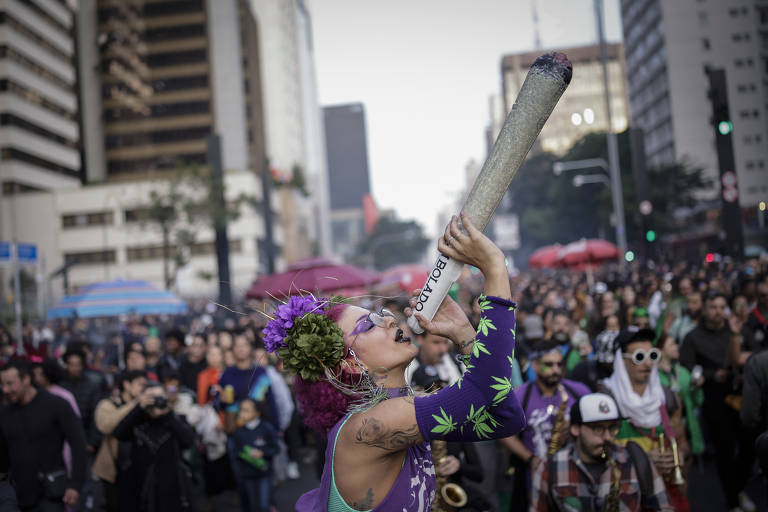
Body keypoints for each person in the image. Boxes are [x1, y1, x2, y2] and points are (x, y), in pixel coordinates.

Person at [274, 213, 525, 511]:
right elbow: (484, 388)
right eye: (370, 324)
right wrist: (495, 269)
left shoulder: (405, 409)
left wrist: (462, 332)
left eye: (382, 314)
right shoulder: (368, 427)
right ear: (352, 364)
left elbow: (506, 418)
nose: (390, 319)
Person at [529, 393, 672, 511]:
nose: (608, 437)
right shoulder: (549, 468)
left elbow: (664, 507)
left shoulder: (636, 461)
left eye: (612, 428)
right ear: (576, 429)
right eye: (598, 429)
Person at [604, 328, 690, 511]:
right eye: (639, 357)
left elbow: (683, 444)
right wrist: (642, 460)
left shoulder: (667, 399)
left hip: (665, 496)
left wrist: (678, 456)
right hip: (624, 498)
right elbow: (597, 456)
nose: (648, 364)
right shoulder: (606, 401)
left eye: (652, 355)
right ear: (621, 360)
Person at [680, 293, 750, 511]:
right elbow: (687, 367)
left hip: (743, 395)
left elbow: (754, 353)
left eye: (722, 306)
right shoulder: (693, 337)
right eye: (713, 306)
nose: (718, 311)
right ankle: (733, 499)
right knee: (725, 451)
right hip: (715, 400)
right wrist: (711, 376)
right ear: (705, 308)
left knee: (749, 448)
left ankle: (738, 489)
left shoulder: (736, 330)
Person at [500, 339, 589, 510]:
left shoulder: (577, 391)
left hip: (573, 472)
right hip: (532, 475)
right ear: (535, 365)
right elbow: (504, 433)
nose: (556, 370)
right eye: (549, 364)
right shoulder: (520, 396)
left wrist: (575, 429)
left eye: (559, 364)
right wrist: (531, 459)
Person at [0, 360, 87, 511]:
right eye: (2, 384)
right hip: (18, 495)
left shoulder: (56, 404)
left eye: (10, 383)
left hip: (51, 493)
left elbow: (78, 444)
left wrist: (75, 484)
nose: (5, 389)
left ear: (26, 379)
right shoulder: (5, 413)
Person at [112, 382, 196, 512]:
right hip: (140, 487)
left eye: (159, 397)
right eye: (151, 397)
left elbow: (188, 441)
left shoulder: (176, 419)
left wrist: (168, 414)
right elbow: (119, 434)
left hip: (171, 489)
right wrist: (138, 408)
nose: (155, 401)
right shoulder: (137, 421)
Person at [93, 370, 146, 512]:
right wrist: (136, 405)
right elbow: (106, 425)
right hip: (113, 472)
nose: (143, 389)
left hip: (138, 470)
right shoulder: (108, 404)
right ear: (127, 384)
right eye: (140, 384)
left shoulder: (146, 407)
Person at [32, 359, 81, 478]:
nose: (37, 378)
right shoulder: (33, 396)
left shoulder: (64, 396)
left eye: (41, 374)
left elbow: (75, 427)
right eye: (35, 374)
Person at [231, 398, 279, 512]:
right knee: (253, 505)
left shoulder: (266, 428)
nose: (242, 413)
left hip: (264, 473)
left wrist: (262, 452)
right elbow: (235, 452)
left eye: (247, 410)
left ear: (257, 413)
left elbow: (275, 448)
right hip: (247, 474)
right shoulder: (238, 432)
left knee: (264, 504)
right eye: (241, 410)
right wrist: (245, 455)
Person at [60, 348, 102, 455]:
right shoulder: (60, 386)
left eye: (78, 364)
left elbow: (95, 415)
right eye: (71, 364)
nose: (75, 368)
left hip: (85, 439)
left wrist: (92, 442)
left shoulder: (92, 386)